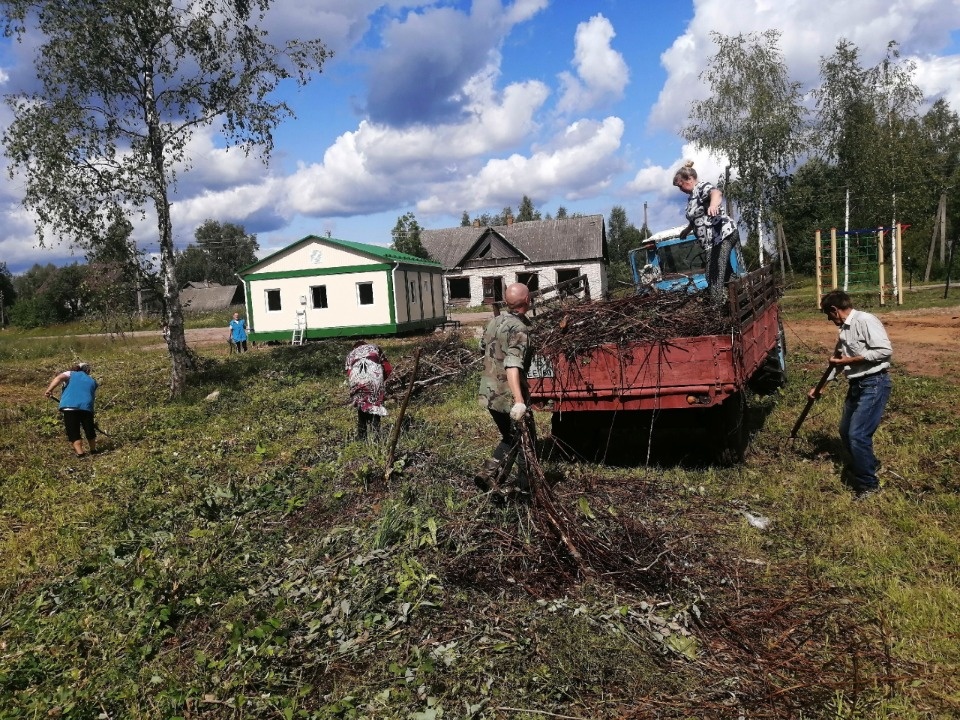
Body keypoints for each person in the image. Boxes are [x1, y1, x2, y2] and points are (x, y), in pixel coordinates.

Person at [808, 290, 893, 499]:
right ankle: (868, 465)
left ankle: (868, 486)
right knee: (846, 431)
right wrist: (819, 388)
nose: (829, 319)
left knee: (858, 435)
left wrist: (849, 361)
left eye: (829, 315)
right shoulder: (844, 331)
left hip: (874, 383)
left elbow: (884, 351)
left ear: (834, 310)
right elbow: (835, 364)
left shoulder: (865, 320)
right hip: (856, 384)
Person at [476, 282, 535, 500]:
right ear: (527, 301)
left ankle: (488, 473)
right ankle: (524, 492)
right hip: (509, 395)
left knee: (511, 437)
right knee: (526, 443)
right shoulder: (519, 329)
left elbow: (483, 347)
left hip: (489, 393)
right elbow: (513, 364)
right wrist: (519, 400)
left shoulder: (494, 321)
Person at [673, 160, 741, 304]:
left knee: (713, 273)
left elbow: (716, 193)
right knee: (725, 272)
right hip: (712, 242)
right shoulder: (692, 197)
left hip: (722, 236)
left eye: (680, 185)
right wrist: (687, 229)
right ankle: (742, 295)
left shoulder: (701, 186)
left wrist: (713, 205)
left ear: (689, 179)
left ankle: (717, 308)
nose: (680, 189)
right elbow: (697, 218)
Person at [44, 362, 99, 457]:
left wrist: (49, 390)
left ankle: (81, 454)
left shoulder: (70, 373)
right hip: (86, 407)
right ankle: (93, 450)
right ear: (88, 371)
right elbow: (92, 396)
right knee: (89, 429)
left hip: (70, 407)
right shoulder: (92, 381)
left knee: (73, 430)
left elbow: (58, 378)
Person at [345, 340, 393, 440]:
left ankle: (362, 436)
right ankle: (376, 436)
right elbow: (388, 369)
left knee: (361, 405)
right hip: (374, 378)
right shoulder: (375, 348)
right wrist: (383, 384)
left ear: (355, 347)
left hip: (356, 380)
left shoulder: (350, 355)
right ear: (365, 345)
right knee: (375, 405)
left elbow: (349, 372)